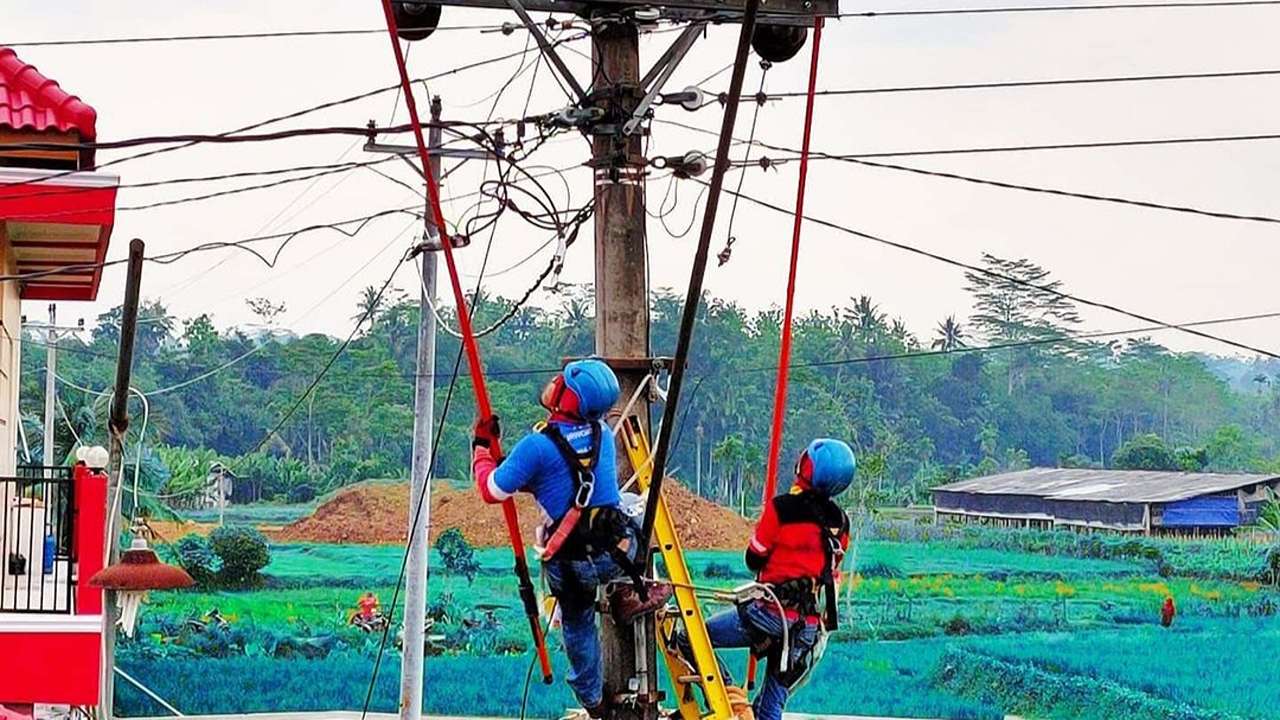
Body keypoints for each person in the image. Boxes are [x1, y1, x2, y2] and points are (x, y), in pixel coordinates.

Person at [471, 358, 671, 719]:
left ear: (568, 397)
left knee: (578, 621)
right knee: (634, 507)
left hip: (570, 563)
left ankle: (593, 700)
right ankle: (628, 590)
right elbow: (569, 479)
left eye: (561, 381)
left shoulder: (537, 447)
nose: (552, 383)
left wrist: (482, 449)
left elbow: (492, 490)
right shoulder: (603, 436)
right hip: (615, 553)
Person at [680, 438, 855, 720]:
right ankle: (746, 709)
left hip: (768, 614)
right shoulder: (841, 523)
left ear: (807, 468)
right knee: (771, 706)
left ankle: (731, 697)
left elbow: (754, 558)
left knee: (688, 638)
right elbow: (829, 571)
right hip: (805, 628)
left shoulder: (782, 508)